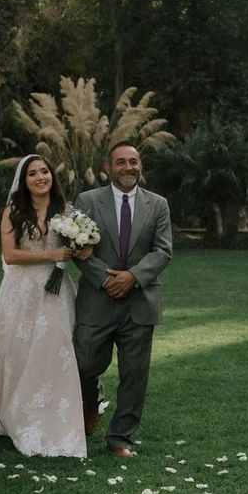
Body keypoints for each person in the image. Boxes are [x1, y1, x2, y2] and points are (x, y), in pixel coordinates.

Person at [0, 155, 92, 458]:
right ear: (24, 181)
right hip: (21, 290)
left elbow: (76, 246)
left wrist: (84, 246)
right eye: (33, 173)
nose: (40, 177)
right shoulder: (13, 211)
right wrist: (50, 255)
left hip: (57, 290)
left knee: (56, 347)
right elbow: (10, 255)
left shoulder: (65, 210)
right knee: (20, 349)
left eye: (45, 171)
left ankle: (55, 405)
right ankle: (15, 406)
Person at [73, 142, 172, 458]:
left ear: (141, 165)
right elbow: (76, 247)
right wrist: (107, 279)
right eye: (121, 162)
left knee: (134, 374)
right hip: (96, 300)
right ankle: (91, 400)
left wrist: (132, 277)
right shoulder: (87, 201)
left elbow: (163, 250)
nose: (128, 167)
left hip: (140, 302)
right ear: (108, 168)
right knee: (84, 363)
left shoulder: (158, 204)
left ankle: (120, 438)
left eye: (134, 161)